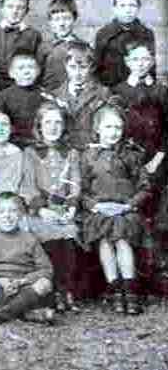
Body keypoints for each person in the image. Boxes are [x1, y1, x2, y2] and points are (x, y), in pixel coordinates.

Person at [80, 103, 150, 315]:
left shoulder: (131, 155)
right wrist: (94, 206)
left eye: (118, 128)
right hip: (99, 210)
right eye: (108, 127)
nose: (114, 133)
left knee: (120, 237)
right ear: (98, 129)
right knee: (104, 239)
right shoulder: (89, 156)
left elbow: (145, 187)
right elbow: (81, 189)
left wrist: (129, 205)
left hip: (125, 209)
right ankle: (114, 288)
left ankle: (130, 289)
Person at [21, 102, 82, 312]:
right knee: (51, 240)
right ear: (39, 126)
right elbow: (28, 186)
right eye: (48, 122)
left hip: (63, 210)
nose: (53, 127)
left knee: (68, 239)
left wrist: (71, 207)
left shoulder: (71, 153)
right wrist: (42, 209)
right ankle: (53, 291)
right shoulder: (30, 152)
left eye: (58, 122)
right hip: (40, 211)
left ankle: (67, 289)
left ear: (64, 126)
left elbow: (75, 183)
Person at [0, 192, 55, 324]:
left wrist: (22, 281)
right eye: (2, 212)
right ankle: (25, 312)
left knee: (45, 283)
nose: (7, 216)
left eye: (13, 211)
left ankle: (2, 313)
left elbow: (47, 269)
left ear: (21, 214)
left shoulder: (30, 239)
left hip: (23, 288)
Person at [45, 42, 111, 151]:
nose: (77, 73)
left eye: (83, 67)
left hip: (92, 151)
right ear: (65, 66)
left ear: (92, 67)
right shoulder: (54, 95)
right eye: (72, 67)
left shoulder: (103, 93)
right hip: (64, 152)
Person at [94, 0, 156, 88]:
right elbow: (96, 67)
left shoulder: (146, 34)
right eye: (122, 5)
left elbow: (151, 66)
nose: (128, 10)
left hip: (138, 89)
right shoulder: (103, 34)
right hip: (111, 90)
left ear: (139, 7)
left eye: (132, 5)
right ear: (114, 8)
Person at [0, 51, 46, 147]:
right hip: (12, 144)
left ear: (38, 71)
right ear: (11, 73)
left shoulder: (45, 96)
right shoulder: (2, 97)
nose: (26, 72)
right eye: (21, 68)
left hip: (40, 144)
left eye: (31, 67)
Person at [36, 0, 84, 92]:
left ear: (74, 19)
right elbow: (36, 78)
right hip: (49, 97)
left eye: (66, 18)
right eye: (57, 19)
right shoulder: (44, 48)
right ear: (50, 22)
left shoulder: (84, 47)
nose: (62, 23)